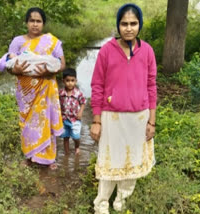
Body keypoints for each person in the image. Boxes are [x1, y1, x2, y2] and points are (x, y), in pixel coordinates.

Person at [90, 3, 157, 213]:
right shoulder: (106, 51)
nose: (129, 28)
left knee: (133, 161)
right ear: (118, 25)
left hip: (139, 117)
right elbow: (97, 85)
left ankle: (121, 199)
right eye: (124, 23)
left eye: (133, 23)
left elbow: (151, 85)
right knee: (111, 161)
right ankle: (101, 203)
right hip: (113, 117)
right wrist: (97, 120)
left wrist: (151, 121)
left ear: (140, 25)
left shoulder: (147, 51)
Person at [0, 7, 66, 170]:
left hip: (46, 87)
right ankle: (29, 156)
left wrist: (48, 70)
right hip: (26, 91)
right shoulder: (18, 41)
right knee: (27, 123)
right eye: (32, 21)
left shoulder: (51, 41)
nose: (35, 24)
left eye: (38, 21)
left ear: (43, 23)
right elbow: (10, 64)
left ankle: (49, 159)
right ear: (26, 22)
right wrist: (16, 70)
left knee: (45, 119)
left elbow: (61, 64)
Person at [59, 68, 86, 155]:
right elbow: (57, 104)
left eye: (72, 80)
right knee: (65, 137)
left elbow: (83, 103)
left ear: (76, 81)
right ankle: (67, 153)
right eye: (67, 80)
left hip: (75, 119)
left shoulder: (78, 93)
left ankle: (77, 147)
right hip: (64, 119)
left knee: (75, 137)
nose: (70, 83)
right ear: (63, 81)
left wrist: (80, 112)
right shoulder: (60, 93)